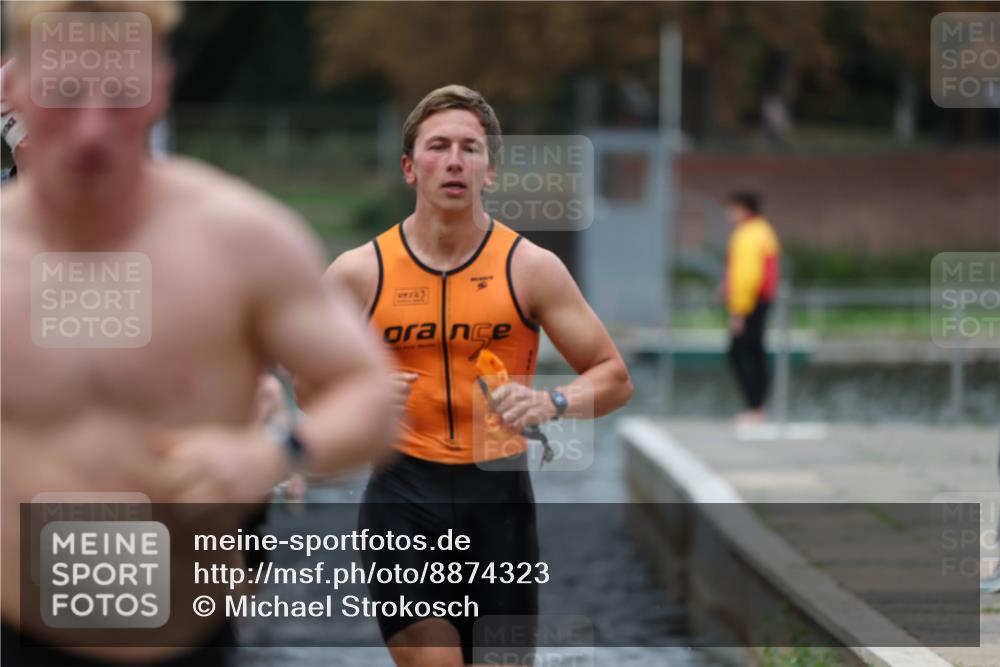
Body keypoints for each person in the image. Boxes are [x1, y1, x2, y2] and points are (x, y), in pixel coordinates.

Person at [1, 3, 396, 665]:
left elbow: (374, 391)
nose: (93, 130)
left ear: (160, 88)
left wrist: (278, 450)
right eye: (64, 95)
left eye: (120, 96)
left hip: (194, 642)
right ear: (13, 90)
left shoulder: (240, 239)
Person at [317, 84, 633, 667]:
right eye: (439, 146)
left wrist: (552, 403)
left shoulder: (531, 268)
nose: (455, 160)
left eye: (471, 148)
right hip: (402, 499)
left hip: (499, 501)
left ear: (490, 171)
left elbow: (613, 376)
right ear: (411, 167)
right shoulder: (359, 272)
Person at [723, 191, 781, 423]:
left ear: (743, 209)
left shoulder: (747, 235)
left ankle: (755, 408)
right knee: (755, 352)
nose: (729, 214)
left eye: (732, 209)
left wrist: (738, 311)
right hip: (760, 302)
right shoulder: (763, 231)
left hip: (750, 304)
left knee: (740, 354)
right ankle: (758, 407)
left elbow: (748, 276)